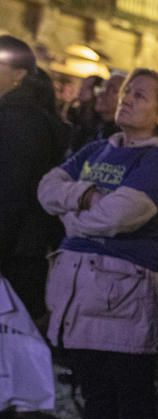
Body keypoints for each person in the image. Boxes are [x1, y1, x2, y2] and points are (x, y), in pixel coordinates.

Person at [37, 68, 158, 419]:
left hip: (127, 292)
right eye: (126, 93)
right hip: (81, 288)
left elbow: (121, 215)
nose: (125, 100)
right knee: (94, 392)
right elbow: (46, 189)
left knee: (132, 399)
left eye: (140, 96)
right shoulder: (102, 145)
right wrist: (85, 197)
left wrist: (73, 214)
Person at [0, 36, 68, 322]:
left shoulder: (20, 121)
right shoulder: (21, 116)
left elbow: (12, 191)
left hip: (15, 253)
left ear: (19, 75)